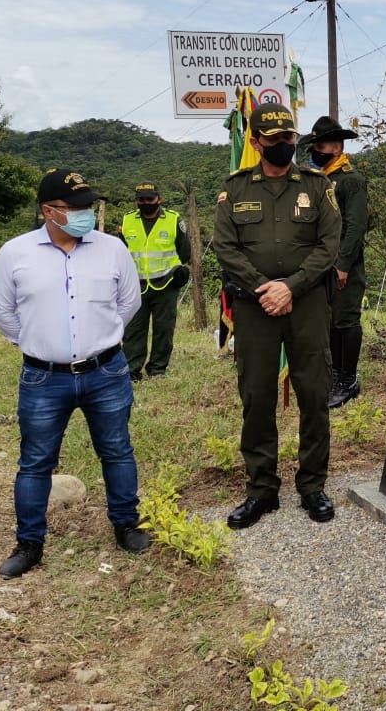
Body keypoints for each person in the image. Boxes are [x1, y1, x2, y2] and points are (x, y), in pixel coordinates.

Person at [0, 169, 149, 579]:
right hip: (44, 378)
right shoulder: (15, 253)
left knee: (116, 450)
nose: (85, 214)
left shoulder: (112, 249)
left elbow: (128, 304)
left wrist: (99, 337)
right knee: (36, 462)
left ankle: (126, 524)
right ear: (48, 211)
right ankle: (29, 543)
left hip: (106, 371)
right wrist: (39, 343)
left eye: (88, 206)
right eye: (75, 208)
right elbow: (0, 312)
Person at [213, 104, 342, 529]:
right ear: (255, 143)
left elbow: (329, 244)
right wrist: (264, 288)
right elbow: (225, 247)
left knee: (313, 394)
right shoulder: (235, 190)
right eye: (273, 140)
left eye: (289, 138)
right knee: (257, 395)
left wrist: (291, 286)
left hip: (306, 306)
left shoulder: (317, 186)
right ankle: (261, 490)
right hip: (254, 309)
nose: (283, 146)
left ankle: (312, 486)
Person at [304, 115, 368, 409]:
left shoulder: (350, 181)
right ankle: (333, 377)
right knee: (330, 321)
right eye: (315, 144)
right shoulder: (320, 180)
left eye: (322, 145)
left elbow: (356, 227)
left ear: (337, 148)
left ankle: (348, 380)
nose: (316, 150)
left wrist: (343, 264)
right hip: (321, 263)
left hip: (345, 264)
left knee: (346, 320)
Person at [119, 181, 192, 381]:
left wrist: (179, 271)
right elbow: (120, 253)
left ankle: (158, 369)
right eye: (140, 199)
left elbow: (184, 251)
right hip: (136, 286)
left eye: (149, 199)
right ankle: (132, 370)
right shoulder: (126, 221)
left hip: (166, 284)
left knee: (164, 329)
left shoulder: (173, 219)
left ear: (159, 199)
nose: (145, 203)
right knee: (133, 330)